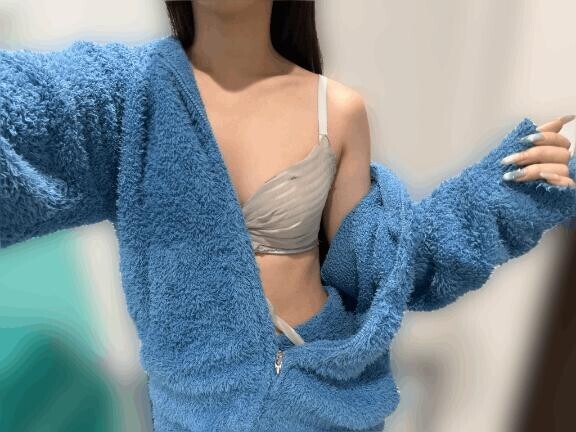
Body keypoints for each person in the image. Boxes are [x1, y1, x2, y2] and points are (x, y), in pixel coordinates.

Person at [1, 1, 575, 431]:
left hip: (322, 400)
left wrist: (501, 190)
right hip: (197, 407)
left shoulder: (336, 109)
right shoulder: (127, 98)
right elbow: (29, 113)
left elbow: (386, 265)